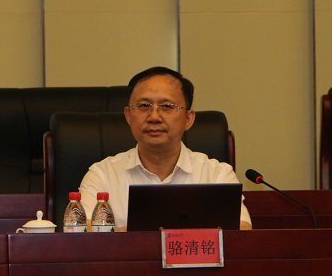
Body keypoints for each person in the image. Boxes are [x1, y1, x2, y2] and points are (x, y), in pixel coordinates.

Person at [78, 66, 252, 231]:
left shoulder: (216, 175)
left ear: (188, 119)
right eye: (144, 106)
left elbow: (242, 230)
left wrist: (128, 235)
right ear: (128, 116)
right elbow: (82, 232)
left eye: (167, 106)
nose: (154, 117)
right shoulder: (102, 174)